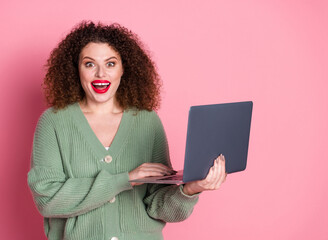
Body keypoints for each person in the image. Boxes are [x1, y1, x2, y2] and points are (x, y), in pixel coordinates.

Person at [27, 21, 227, 240]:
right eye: (89, 64)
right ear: (76, 69)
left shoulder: (147, 121)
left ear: (124, 68)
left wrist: (191, 189)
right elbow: (48, 200)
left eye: (110, 64)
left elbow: (158, 207)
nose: (100, 73)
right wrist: (125, 179)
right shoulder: (54, 123)